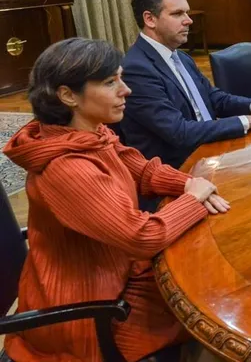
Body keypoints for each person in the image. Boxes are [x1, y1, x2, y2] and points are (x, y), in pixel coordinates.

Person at [2, 38, 229, 362]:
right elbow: (142, 236)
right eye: (111, 82)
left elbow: (143, 172)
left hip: (113, 273)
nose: (126, 90)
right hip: (90, 307)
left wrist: (192, 183)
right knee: (214, 316)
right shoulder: (67, 169)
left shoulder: (90, 134)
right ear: (68, 95)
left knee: (210, 291)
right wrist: (192, 200)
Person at [121, 0, 251, 175]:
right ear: (150, 19)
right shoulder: (137, 69)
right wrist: (247, 121)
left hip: (211, 154)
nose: (189, 20)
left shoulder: (180, 57)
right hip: (179, 171)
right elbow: (179, 132)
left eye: (186, 12)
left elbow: (213, 98)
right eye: (177, 14)